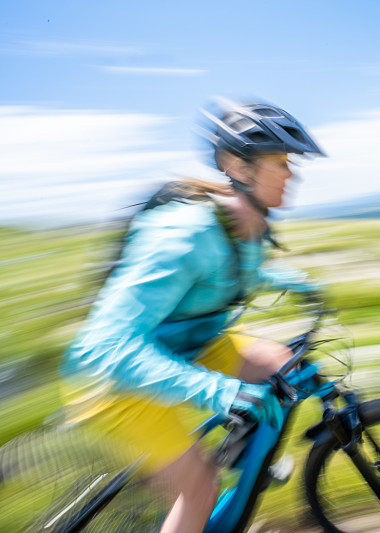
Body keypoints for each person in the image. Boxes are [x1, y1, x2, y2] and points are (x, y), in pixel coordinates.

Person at [61, 99, 325, 532]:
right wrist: (219, 393)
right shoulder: (181, 235)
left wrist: (303, 286)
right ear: (238, 167)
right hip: (114, 378)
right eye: (281, 162)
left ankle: (243, 461)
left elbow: (240, 271)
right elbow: (105, 346)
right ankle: (202, 487)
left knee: (281, 367)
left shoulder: (246, 222)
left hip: (190, 346)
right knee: (200, 489)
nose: (291, 174)